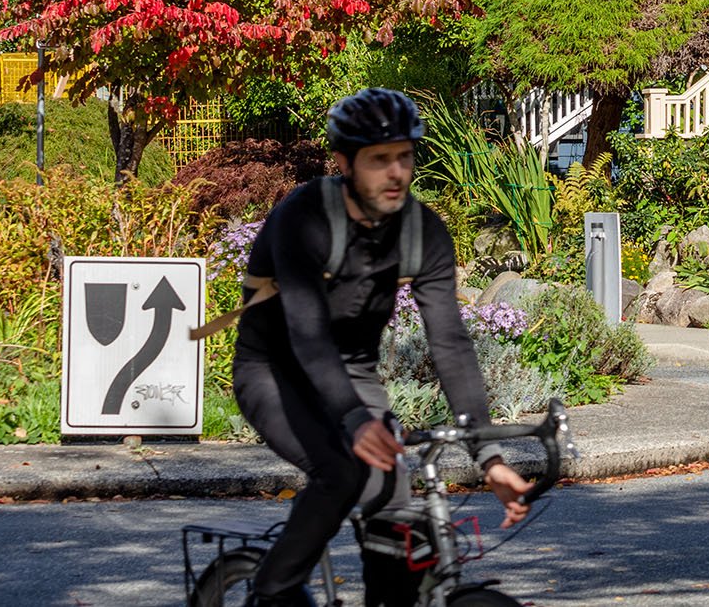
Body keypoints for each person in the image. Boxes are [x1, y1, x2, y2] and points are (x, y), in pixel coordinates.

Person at [226, 88, 532, 606]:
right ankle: (271, 590)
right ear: (344, 162)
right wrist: (355, 419)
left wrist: (489, 455)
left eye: (405, 157)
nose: (396, 173)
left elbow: (451, 343)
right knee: (342, 471)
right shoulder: (304, 218)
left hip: (353, 375)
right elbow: (306, 331)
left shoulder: (421, 232)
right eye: (379, 159)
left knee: (397, 516)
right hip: (273, 371)